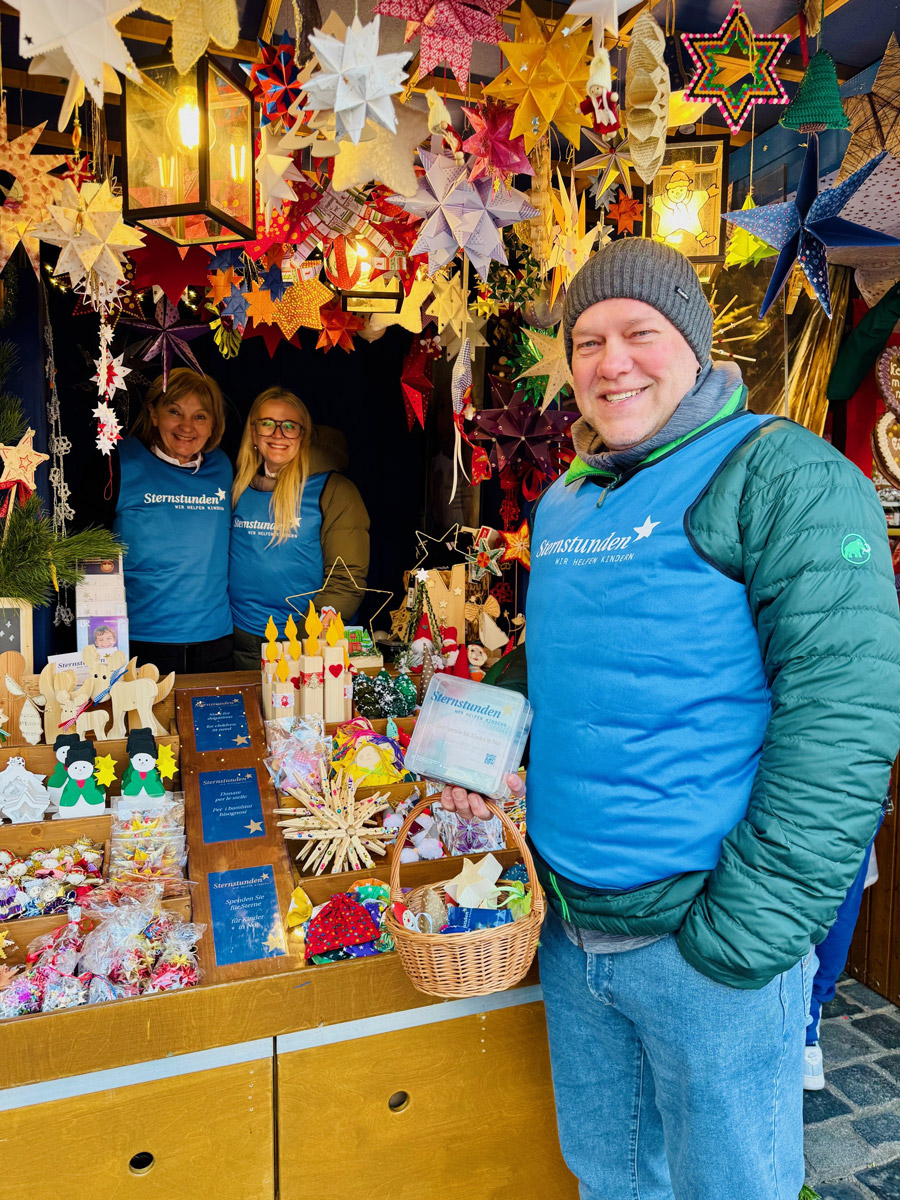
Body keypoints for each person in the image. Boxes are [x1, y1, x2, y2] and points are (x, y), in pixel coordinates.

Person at [440, 238, 900, 1199]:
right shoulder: (568, 499)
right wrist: (475, 742)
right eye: (589, 341)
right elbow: (561, 662)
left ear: (694, 343)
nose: (612, 362)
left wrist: (747, 932)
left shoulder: (784, 475)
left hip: (704, 941)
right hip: (573, 928)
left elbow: (844, 724)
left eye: (639, 333)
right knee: (611, 1181)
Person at [229, 387, 370, 671]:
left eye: (290, 426)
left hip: (304, 644)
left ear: (304, 435)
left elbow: (346, 578)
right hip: (239, 639)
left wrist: (311, 637)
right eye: (267, 423)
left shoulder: (333, 491)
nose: (278, 434)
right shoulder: (237, 485)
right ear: (253, 433)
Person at [113, 368, 233, 676]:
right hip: (142, 639)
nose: (187, 427)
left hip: (214, 640)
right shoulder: (122, 461)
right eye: (174, 412)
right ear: (153, 413)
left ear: (213, 424)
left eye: (200, 416)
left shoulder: (222, 466)